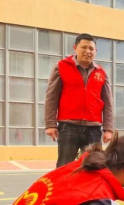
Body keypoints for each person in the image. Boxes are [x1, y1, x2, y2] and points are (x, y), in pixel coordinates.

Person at [44, 33, 114, 168]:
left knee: (95, 166)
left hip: (94, 128)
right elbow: (51, 97)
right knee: (65, 166)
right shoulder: (61, 67)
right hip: (68, 126)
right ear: (75, 48)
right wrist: (50, 124)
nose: (88, 51)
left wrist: (108, 128)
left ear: (95, 51)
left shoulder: (101, 72)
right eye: (84, 47)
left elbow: (108, 102)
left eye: (91, 49)